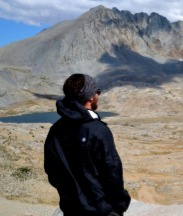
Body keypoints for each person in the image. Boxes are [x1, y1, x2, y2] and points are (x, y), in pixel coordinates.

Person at [44, 74, 130, 216]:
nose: (98, 95)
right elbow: (112, 173)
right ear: (91, 97)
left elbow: (52, 171)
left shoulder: (56, 130)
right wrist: (118, 207)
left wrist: (69, 196)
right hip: (100, 211)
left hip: (70, 209)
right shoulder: (98, 130)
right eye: (97, 91)